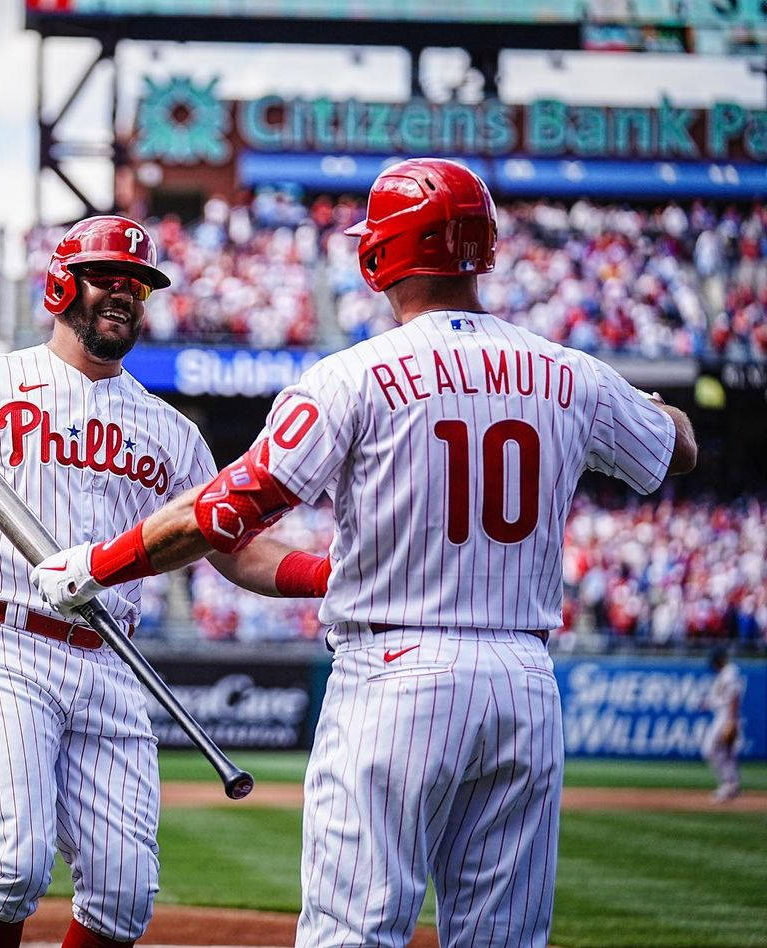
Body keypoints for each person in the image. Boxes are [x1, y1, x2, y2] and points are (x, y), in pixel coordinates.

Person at [35, 161, 698, 947]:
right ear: (479, 252)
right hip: (524, 680)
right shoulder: (572, 373)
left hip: (397, 677)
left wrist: (98, 565)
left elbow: (227, 511)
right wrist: (637, 400)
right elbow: (679, 447)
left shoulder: (353, 376)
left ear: (379, 256)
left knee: (353, 933)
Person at [0, 214, 328, 948]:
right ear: (60, 284)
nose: (124, 294)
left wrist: (326, 574)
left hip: (111, 660)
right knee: (15, 865)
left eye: (137, 285)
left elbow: (234, 548)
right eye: (109, 277)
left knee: (123, 897)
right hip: (1, 642)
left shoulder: (173, 432)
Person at [703, 645, 743, 803]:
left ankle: (729, 784)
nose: (712, 664)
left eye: (714, 660)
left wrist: (731, 720)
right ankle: (731, 785)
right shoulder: (725, 673)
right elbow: (720, 696)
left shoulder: (730, 673)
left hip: (726, 716)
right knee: (726, 752)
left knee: (710, 749)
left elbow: (734, 696)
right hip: (724, 715)